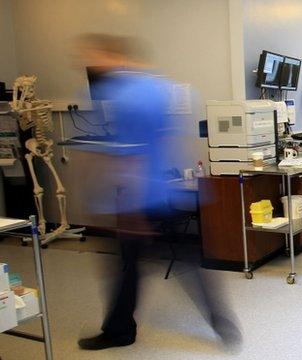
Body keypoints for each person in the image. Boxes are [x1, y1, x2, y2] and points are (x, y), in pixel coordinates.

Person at [73, 33, 241, 350]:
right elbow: (163, 139)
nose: (87, 62)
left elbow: (130, 154)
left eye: (91, 55)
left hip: (138, 196)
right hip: (162, 190)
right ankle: (221, 321)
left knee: (128, 265)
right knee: (178, 263)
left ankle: (120, 331)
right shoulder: (158, 88)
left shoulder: (119, 96)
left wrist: (130, 209)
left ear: (110, 56)